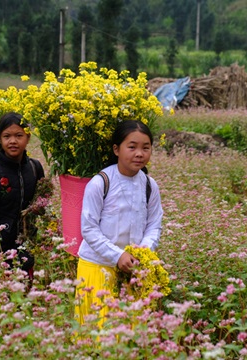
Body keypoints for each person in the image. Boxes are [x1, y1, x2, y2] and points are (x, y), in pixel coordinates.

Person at [75, 120, 163, 326]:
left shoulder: (150, 186)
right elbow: (88, 229)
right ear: (116, 149)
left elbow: (154, 224)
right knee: (97, 335)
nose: (139, 153)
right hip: (98, 267)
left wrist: (143, 253)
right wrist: (117, 255)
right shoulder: (100, 183)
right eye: (132, 147)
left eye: (145, 148)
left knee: (131, 337)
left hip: (135, 269)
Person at [0, 112, 44, 279]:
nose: (13, 141)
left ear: (28, 137)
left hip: (24, 246)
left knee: (24, 297)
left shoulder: (35, 168)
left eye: (19, 135)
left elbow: (42, 203)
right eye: (7, 136)